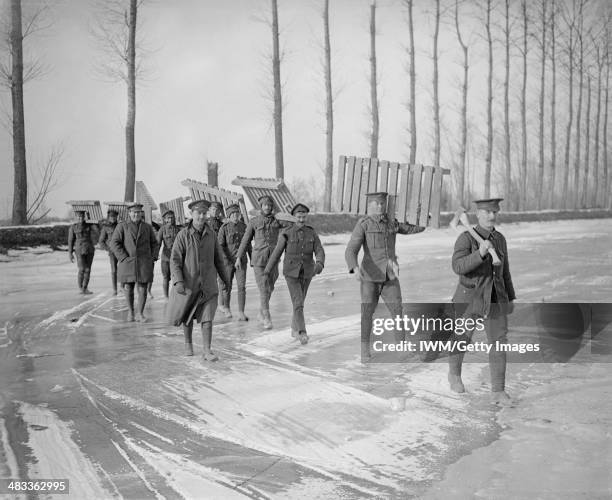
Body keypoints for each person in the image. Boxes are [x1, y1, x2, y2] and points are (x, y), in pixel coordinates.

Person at [448, 198, 516, 404]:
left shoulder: (500, 239)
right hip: (470, 297)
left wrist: (510, 297)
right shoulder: (466, 238)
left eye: (494, 212)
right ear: (477, 214)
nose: (491, 216)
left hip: (495, 298)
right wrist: (480, 253)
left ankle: (498, 390)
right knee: (462, 337)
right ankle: (454, 375)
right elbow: (458, 267)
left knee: (499, 343)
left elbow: (505, 271)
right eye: (486, 212)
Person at [345, 192, 425, 361]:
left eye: (382, 203)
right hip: (369, 278)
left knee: (397, 311)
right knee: (367, 313)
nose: (380, 207)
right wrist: (354, 268)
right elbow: (351, 249)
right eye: (376, 203)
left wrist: (422, 215)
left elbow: (414, 228)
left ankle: (401, 348)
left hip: (390, 276)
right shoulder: (364, 224)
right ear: (370, 205)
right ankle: (364, 350)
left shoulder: (392, 223)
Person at [169, 199, 231, 361]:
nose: (202, 216)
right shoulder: (183, 235)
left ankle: (207, 350)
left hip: (208, 284)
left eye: (205, 213)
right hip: (189, 284)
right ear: (192, 214)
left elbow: (219, 259)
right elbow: (175, 260)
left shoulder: (211, 234)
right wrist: (178, 281)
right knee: (188, 316)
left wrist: (226, 279)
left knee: (208, 316)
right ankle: (188, 343)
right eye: (199, 213)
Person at [264, 203, 325, 345]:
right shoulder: (286, 232)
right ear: (294, 216)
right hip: (291, 273)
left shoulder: (312, 232)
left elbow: (319, 250)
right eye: (299, 216)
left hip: (308, 272)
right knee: (298, 302)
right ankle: (302, 332)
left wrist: (320, 263)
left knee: (300, 302)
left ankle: (294, 329)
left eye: (304, 216)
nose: (302, 219)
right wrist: (267, 270)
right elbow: (276, 253)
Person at [235, 195, 289, 330]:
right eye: (265, 205)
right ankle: (266, 316)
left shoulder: (277, 221)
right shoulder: (254, 222)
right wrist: (238, 257)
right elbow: (245, 240)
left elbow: (291, 224)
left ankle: (260, 312)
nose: (267, 207)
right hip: (259, 259)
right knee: (264, 288)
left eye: (270, 205)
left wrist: (286, 213)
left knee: (270, 287)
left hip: (273, 260)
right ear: (261, 206)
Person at [110, 203, 159, 322]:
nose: (136, 214)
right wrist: (123, 257)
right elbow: (114, 243)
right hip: (128, 262)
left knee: (143, 288)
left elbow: (154, 243)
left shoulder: (147, 227)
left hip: (144, 262)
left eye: (138, 212)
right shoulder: (122, 226)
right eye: (134, 212)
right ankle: (131, 312)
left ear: (141, 213)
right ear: (129, 213)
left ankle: (140, 313)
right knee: (128, 287)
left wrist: (153, 257)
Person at [217, 204, 251, 321]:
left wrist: (252, 259)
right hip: (227, 262)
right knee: (227, 286)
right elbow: (220, 246)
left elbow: (248, 244)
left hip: (242, 261)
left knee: (242, 287)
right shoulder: (224, 228)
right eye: (233, 214)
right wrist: (229, 260)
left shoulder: (245, 227)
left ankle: (241, 312)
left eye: (237, 213)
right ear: (229, 215)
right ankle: (227, 308)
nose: (235, 216)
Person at [68, 210, 97, 295]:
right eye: (78, 217)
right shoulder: (73, 227)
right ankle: (80, 287)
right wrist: (70, 253)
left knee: (88, 269)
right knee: (82, 269)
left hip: (89, 249)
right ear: (76, 218)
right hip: (79, 249)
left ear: (84, 217)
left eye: (82, 216)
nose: (80, 218)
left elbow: (97, 230)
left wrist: (91, 218)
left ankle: (85, 288)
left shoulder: (89, 225)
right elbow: (70, 241)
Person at [156, 209, 181, 299]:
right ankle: (166, 296)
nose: (170, 220)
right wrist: (155, 255)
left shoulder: (178, 229)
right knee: (166, 277)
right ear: (165, 219)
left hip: (176, 258)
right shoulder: (162, 229)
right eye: (168, 218)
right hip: (165, 258)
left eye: (171, 218)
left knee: (176, 277)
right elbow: (158, 243)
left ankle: (175, 296)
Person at [98, 209, 119, 295]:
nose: (113, 218)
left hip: (121, 250)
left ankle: (123, 286)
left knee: (123, 269)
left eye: (114, 217)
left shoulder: (120, 226)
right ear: (108, 217)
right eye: (111, 217)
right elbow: (101, 241)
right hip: (112, 252)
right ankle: (115, 289)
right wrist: (108, 248)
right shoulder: (105, 228)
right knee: (114, 270)